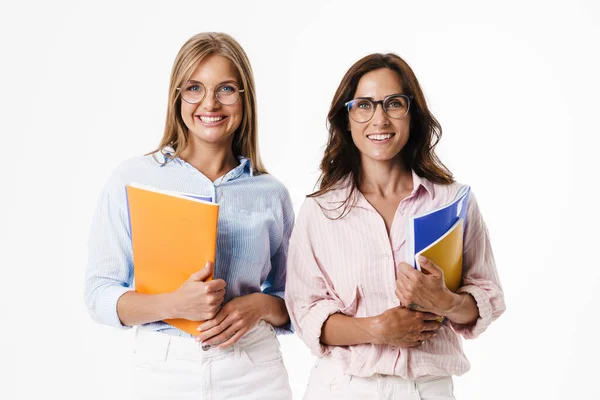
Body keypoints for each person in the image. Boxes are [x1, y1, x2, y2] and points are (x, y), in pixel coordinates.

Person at [84, 32, 293, 400]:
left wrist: (260, 305)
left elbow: (297, 302)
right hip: (165, 370)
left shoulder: (271, 193)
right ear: (177, 96)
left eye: (226, 89)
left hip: (254, 368)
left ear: (245, 99)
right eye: (194, 88)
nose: (210, 103)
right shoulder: (134, 179)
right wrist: (174, 305)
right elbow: (100, 293)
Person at [285, 53, 505, 399]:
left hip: (427, 389)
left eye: (393, 104)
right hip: (344, 387)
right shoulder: (320, 210)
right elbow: (305, 315)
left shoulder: (452, 202)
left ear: (412, 114)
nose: (380, 119)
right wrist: (376, 329)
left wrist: (446, 301)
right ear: (347, 118)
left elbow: (488, 297)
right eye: (364, 106)